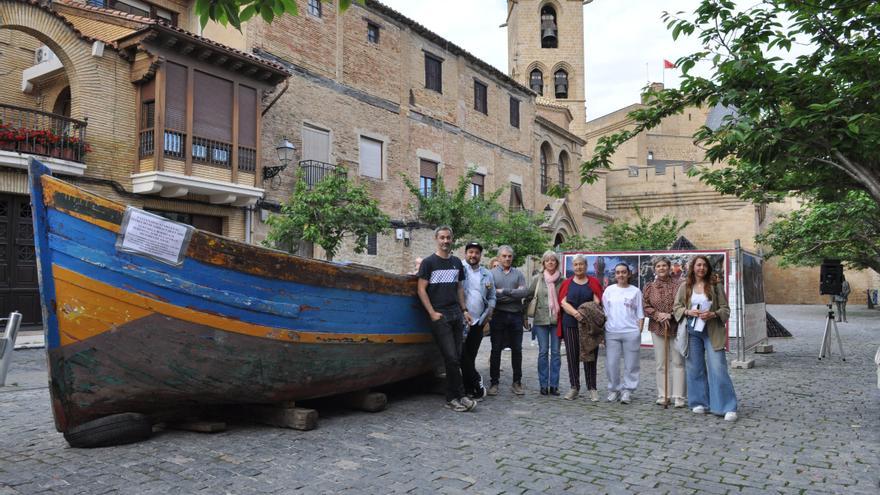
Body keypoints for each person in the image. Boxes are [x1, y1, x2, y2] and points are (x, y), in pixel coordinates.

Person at [416, 226, 477, 413]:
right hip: (439, 315)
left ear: (452, 239)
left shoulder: (457, 262)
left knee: (456, 357)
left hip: (456, 315)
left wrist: (464, 310)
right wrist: (432, 313)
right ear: (436, 239)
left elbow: (459, 288)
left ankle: (456, 396)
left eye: (448, 238)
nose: (445, 241)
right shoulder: (428, 263)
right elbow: (421, 289)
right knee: (450, 357)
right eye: (442, 238)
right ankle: (456, 396)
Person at [673, 255, 737, 421]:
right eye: (698, 265)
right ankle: (700, 402)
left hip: (712, 331)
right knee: (695, 368)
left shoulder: (715, 286)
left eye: (704, 265)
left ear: (708, 268)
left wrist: (713, 314)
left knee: (718, 368)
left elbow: (725, 309)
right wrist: (688, 312)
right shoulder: (685, 286)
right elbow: (677, 307)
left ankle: (727, 406)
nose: (701, 268)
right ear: (693, 267)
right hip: (692, 332)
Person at [557, 254, 603, 401]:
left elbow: (596, 302)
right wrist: (576, 314)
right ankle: (574, 387)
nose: (578, 267)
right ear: (573, 267)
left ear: (586, 266)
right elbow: (563, 302)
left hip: (589, 326)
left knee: (590, 356)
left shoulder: (593, 282)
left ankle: (592, 388)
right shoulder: (567, 283)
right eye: (576, 265)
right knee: (572, 356)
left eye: (581, 264)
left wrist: (584, 314)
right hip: (570, 324)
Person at [643, 257, 686, 408]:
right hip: (657, 328)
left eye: (664, 266)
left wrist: (671, 315)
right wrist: (657, 314)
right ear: (655, 269)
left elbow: (684, 303)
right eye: (658, 266)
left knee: (678, 361)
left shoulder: (679, 285)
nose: (661, 268)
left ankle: (679, 397)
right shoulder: (650, 287)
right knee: (661, 363)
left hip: (676, 327)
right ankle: (663, 395)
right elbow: (645, 306)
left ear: (669, 267)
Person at [488, 246, 528, 396]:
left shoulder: (518, 274)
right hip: (498, 315)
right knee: (496, 350)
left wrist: (504, 291)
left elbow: (524, 292)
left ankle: (517, 382)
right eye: (504, 256)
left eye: (509, 256)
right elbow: (491, 294)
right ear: (498, 257)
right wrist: (513, 295)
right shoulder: (491, 274)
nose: (507, 259)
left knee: (517, 350)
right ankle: (494, 382)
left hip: (516, 316)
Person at [602, 262, 644, 404]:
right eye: (618, 272)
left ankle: (627, 390)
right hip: (612, 332)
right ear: (615, 275)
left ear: (628, 274)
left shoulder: (635, 291)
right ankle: (614, 389)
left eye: (623, 272)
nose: (621, 275)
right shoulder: (609, 290)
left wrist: (639, 331)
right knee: (612, 363)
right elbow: (605, 312)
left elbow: (640, 313)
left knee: (631, 364)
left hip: (631, 331)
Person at [523, 251, 564, 396]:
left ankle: (554, 385)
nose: (550, 262)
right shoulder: (537, 279)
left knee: (556, 353)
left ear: (557, 263)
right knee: (543, 352)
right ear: (543, 263)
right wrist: (525, 318)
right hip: (540, 320)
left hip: (556, 320)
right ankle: (543, 384)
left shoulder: (562, 280)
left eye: (553, 260)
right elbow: (528, 298)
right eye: (548, 260)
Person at [461, 241, 495, 401]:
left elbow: (492, 296)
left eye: (476, 253)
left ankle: (469, 389)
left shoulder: (487, 274)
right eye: (470, 252)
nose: (473, 255)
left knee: (471, 355)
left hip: (478, 321)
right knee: (461, 353)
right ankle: (475, 380)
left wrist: (489, 313)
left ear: (480, 255)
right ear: (465, 253)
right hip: (461, 320)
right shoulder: (459, 269)